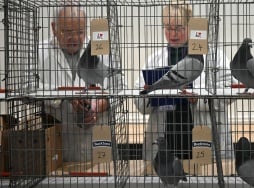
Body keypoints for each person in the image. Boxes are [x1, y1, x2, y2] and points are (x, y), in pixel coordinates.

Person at [134, 2, 237, 173]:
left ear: (190, 26)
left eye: (179, 28)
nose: (172, 34)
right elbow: (139, 101)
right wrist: (150, 96)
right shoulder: (154, 60)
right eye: (168, 28)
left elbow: (229, 91)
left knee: (206, 179)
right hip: (166, 137)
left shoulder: (214, 56)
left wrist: (200, 98)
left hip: (202, 134)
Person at [37, 6, 125, 162]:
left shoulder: (101, 50)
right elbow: (27, 88)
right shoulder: (40, 52)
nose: (75, 38)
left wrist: (97, 105)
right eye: (67, 32)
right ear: (54, 28)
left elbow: (119, 88)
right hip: (61, 143)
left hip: (98, 139)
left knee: (102, 180)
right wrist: (64, 97)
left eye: (80, 32)